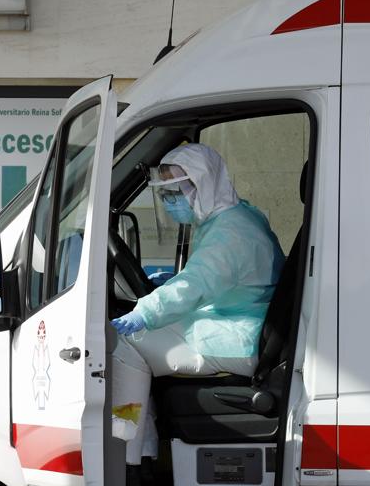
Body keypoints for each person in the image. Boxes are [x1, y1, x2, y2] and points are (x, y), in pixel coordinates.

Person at [109, 143, 285, 463]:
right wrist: (164, 291)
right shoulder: (233, 216)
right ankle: (143, 450)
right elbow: (208, 279)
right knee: (137, 338)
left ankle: (126, 455)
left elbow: (196, 284)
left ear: (205, 183)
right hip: (238, 321)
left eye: (176, 191)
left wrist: (146, 312)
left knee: (124, 345)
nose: (170, 201)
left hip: (238, 337)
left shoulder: (230, 232)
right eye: (165, 194)